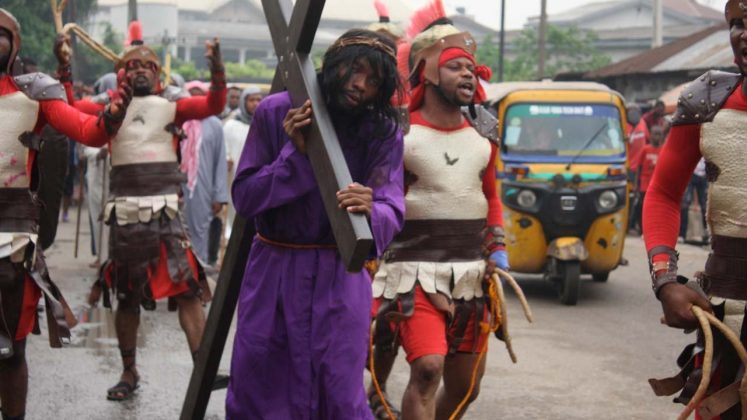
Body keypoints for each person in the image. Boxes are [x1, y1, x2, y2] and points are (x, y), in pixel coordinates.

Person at [225, 28, 405, 419]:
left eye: (374, 80)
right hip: (273, 272)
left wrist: (371, 208)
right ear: (334, 63)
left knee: (338, 392)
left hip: (340, 275)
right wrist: (295, 157)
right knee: (260, 383)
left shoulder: (382, 131)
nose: (360, 85)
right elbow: (246, 198)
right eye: (354, 70)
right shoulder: (276, 112)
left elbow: (392, 206)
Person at [55, 22, 226, 401]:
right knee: (127, 297)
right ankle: (128, 371)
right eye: (133, 67)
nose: (141, 71)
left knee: (187, 291)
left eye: (148, 66)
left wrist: (217, 70)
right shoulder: (109, 110)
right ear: (122, 75)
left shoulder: (173, 105)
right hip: (126, 216)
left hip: (166, 214)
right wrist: (64, 68)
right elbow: (68, 108)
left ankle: (203, 369)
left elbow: (214, 105)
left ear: (158, 74)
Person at [369, 11, 507, 419]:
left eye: (471, 68)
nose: (468, 74)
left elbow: (491, 197)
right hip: (411, 272)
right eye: (455, 67)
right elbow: (383, 200)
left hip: (471, 275)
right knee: (428, 369)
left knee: (466, 389)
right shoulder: (398, 133)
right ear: (427, 73)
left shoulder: (484, 134)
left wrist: (497, 247)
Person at [0, 8, 130, 419]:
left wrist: (111, 117)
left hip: (11, 240)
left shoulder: (35, 94)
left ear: (14, 44)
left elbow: (88, 131)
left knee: (11, 349)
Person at [643, 2, 747, 418]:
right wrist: (665, 280)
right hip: (728, 311)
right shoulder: (707, 100)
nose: (744, 34)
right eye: (737, 24)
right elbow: (663, 195)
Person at [181, 80, 228, 266]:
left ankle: (198, 267)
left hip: (204, 187)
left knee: (201, 227)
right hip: (178, 184)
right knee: (177, 227)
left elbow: (219, 160)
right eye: (191, 94)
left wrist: (219, 195)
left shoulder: (214, 124)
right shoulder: (178, 121)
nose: (195, 99)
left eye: (199, 94)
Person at [222, 85, 262, 238]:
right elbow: (224, 149)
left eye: (258, 100)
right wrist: (227, 160)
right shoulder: (231, 125)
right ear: (244, 102)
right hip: (235, 175)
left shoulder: (262, 124)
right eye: (252, 100)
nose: (256, 104)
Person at [630, 125, 666, 235]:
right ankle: (642, 229)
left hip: (658, 185)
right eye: (655, 134)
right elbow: (639, 168)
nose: (657, 137)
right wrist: (636, 185)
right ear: (650, 135)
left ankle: (655, 229)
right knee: (643, 207)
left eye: (659, 134)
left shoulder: (664, 150)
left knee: (657, 209)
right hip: (644, 184)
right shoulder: (645, 149)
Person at [678, 158, 708, 243]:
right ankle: (682, 234)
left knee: (705, 206)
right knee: (685, 203)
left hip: (704, 175)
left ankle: (707, 234)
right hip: (691, 173)